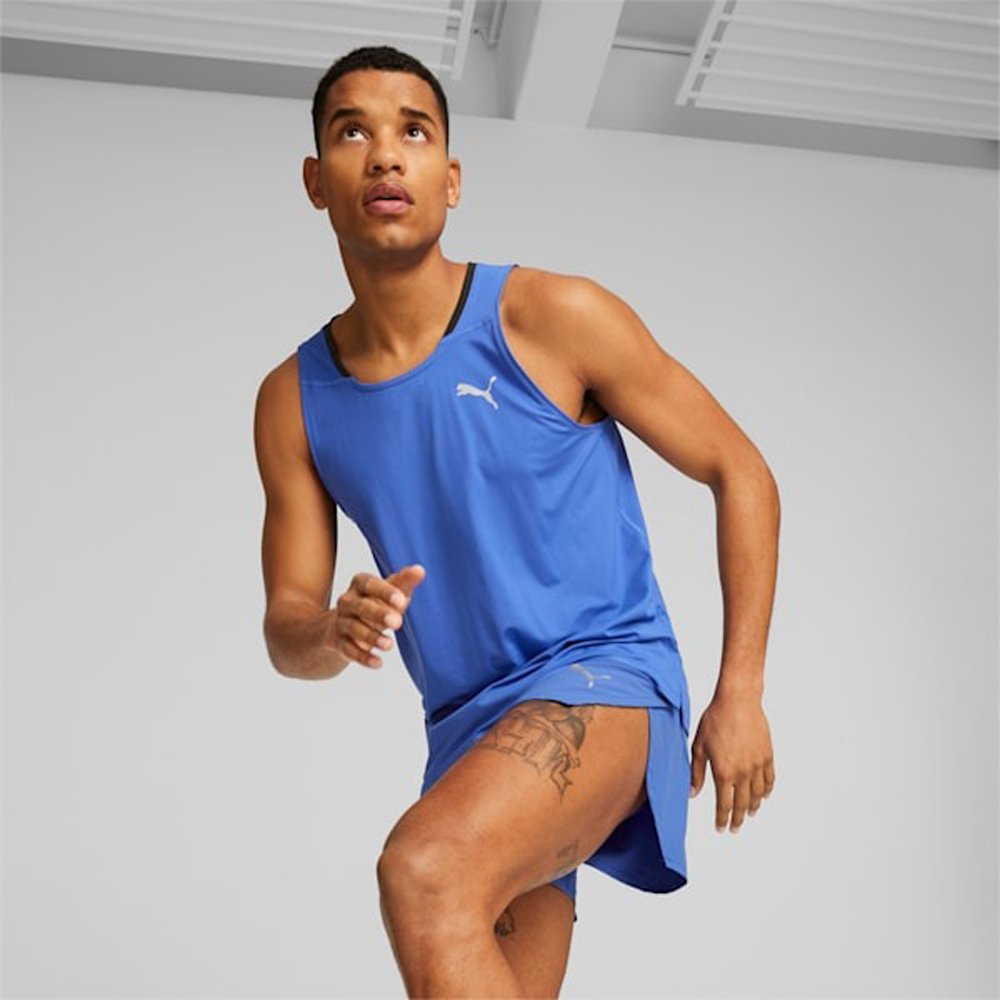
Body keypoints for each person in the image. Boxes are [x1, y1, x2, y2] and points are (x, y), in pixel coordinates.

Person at [253, 44, 779, 998]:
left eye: (414, 131)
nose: (385, 154)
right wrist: (331, 628)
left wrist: (738, 690)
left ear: (450, 179)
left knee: (423, 870)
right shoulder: (293, 399)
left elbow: (738, 470)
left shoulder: (552, 315)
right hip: (465, 732)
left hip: (604, 677)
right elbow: (287, 627)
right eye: (352, 131)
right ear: (315, 181)